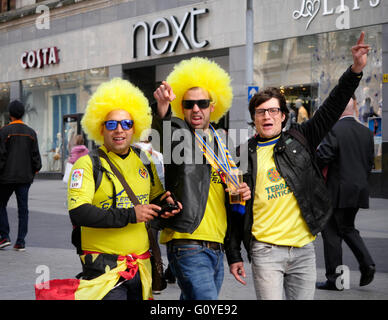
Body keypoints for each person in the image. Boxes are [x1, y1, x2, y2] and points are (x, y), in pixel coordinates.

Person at [225, 31, 369, 300]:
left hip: (303, 249)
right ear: (253, 119)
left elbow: (332, 105)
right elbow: (233, 211)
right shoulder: (241, 155)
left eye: (273, 111)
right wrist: (234, 254)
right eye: (261, 112)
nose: (267, 116)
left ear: (283, 116)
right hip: (265, 251)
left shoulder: (302, 138)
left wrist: (356, 70)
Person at [35, 78, 181, 300]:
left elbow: (153, 197)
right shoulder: (87, 163)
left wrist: (165, 205)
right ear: (100, 128)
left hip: (141, 266)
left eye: (126, 124)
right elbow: (79, 212)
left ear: (135, 127)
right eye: (111, 124)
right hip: (104, 269)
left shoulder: (144, 159)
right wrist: (131, 214)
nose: (119, 130)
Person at [152, 57, 251, 300]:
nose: (196, 109)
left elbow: (232, 195)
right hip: (188, 242)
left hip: (216, 245)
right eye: (189, 104)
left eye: (202, 103)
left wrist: (243, 191)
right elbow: (162, 135)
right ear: (181, 108)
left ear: (213, 106)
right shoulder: (178, 133)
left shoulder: (223, 143)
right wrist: (162, 108)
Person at [316, 97, 375, 291]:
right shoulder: (366, 132)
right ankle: (366, 263)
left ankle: (336, 279)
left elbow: (323, 156)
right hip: (358, 190)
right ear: (354, 108)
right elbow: (369, 163)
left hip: (337, 190)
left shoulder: (334, 130)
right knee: (347, 227)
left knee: (332, 233)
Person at [0, 100, 42, 251]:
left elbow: (1, 156)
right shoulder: (30, 132)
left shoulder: (4, 131)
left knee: (1, 205)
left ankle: (4, 236)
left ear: (9, 114)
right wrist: (34, 171)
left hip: (6, 178)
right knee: (23, 209)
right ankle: (20, 242)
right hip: (25, 178)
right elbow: (36, 157)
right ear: (22, 113)